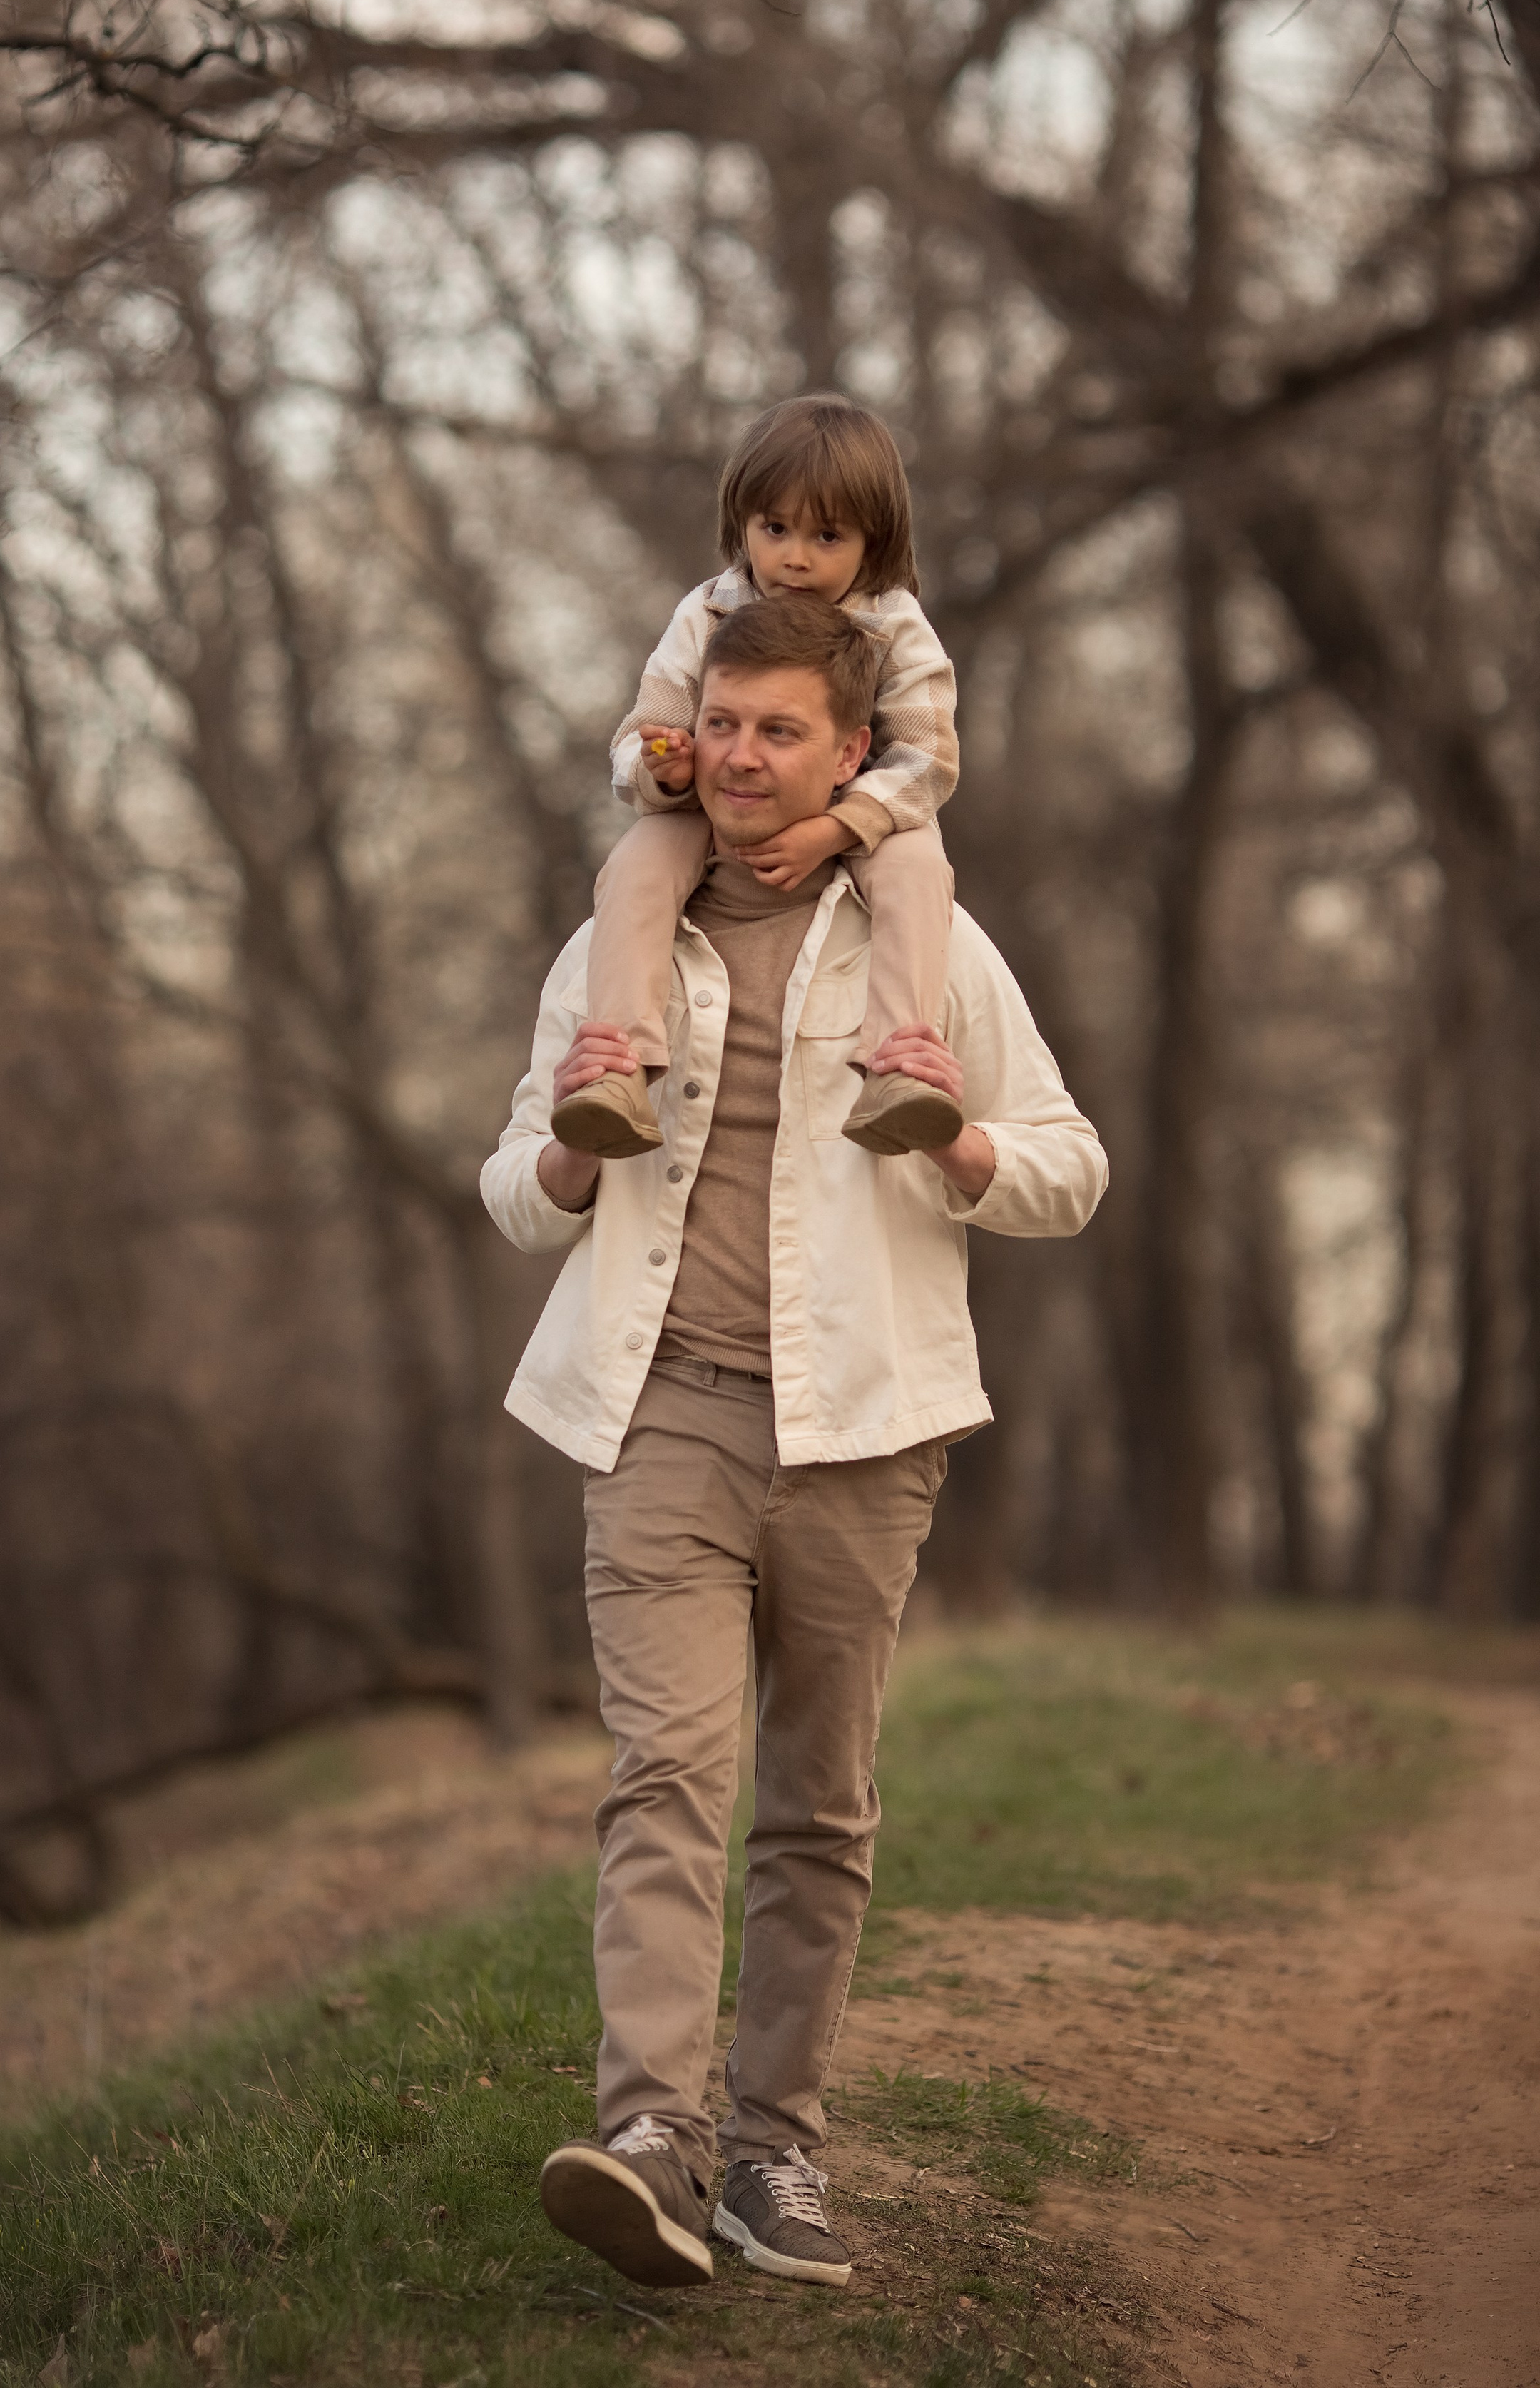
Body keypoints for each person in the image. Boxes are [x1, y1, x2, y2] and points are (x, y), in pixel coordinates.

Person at [481, 591, 1108, 2292]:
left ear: (849, 756)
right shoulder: (620, 935)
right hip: (660, 1412)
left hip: (861, 1429)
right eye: (723, 725)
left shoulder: (926, 941)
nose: (743, 757)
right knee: (665, 1774)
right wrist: (562, 1158)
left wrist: (956, 1145)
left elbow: (1069, 1162)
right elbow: (513, 1184)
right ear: (685, 733)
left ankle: (773, 2152)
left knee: (818, 1805)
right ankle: (648, 2136)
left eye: (779, 731)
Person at [551, 392, 966, 1166]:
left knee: (918, 870)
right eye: (775, 528)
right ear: (741, 523)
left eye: (826, 536)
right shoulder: (707, 612)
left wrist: (835, 828)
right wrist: (665, 766)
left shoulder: (896, 624)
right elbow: (641, 734)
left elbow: (927, 757)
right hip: (717, 804)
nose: (795, 558)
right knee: (637, 863)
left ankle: (900, 1066)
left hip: (865, 810)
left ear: (873, 541)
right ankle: (616, 1067)